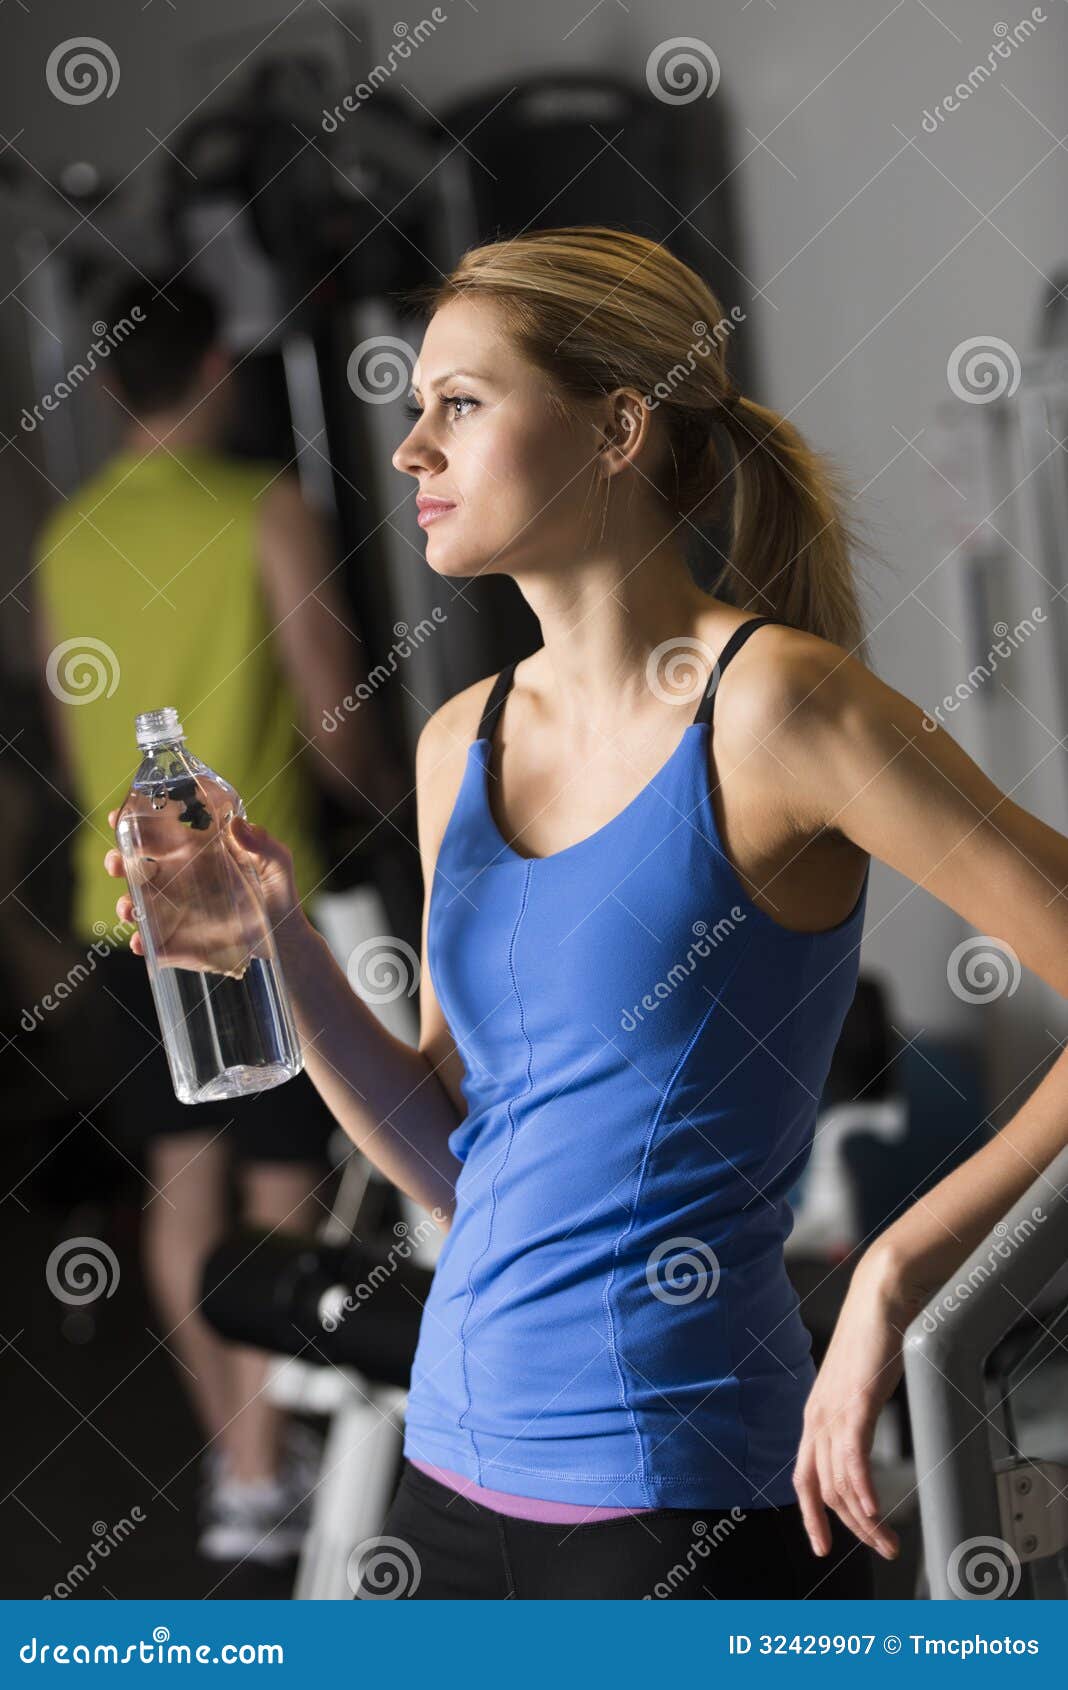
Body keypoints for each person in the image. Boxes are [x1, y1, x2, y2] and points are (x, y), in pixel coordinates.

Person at [105, 224, 1068, 1598]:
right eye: (413, 406)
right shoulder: (460, 743)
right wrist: (282, 950)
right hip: (448, 1476)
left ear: (618, 426)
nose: (409, 451)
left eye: (463, 403)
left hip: (682, 1504)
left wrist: (901, 1277)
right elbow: (459, 1158)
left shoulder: (778, 708)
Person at [33, 272, 401, 1564]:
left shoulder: (67, 536)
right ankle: (284, 1448)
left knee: (185, 1179)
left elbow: (88, 754)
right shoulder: (265, 506)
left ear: (117, 384)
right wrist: (411, 802)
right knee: (287, 1175)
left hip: (123, 898)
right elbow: (338, 723)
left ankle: (246, 1470)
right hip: (249, 902)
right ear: (219, 370)